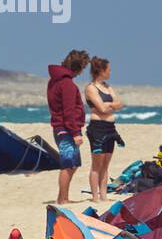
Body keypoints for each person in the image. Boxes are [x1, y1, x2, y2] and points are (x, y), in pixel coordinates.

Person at [47, 49, 89, 204]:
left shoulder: (54, 81)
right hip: (65, 129)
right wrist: (76, 132)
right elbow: (69, 111)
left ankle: (62, 197)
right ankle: (62, 199)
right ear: (78, 67)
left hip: (60, 128)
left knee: (72, 164)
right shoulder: (67, 84)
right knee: (69, 164)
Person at [85, 57, 124, 202]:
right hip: (98, 128)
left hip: (110, 128)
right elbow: (101, 108)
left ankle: (103, 195)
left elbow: (120, 103)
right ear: (101, 70)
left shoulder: (108, 87)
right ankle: (95, 196)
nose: (110, 72)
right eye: (108, 69)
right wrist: (111, 105)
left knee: (106, 164)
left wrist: (110, 105)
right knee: (97, 164)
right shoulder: (91, 88)